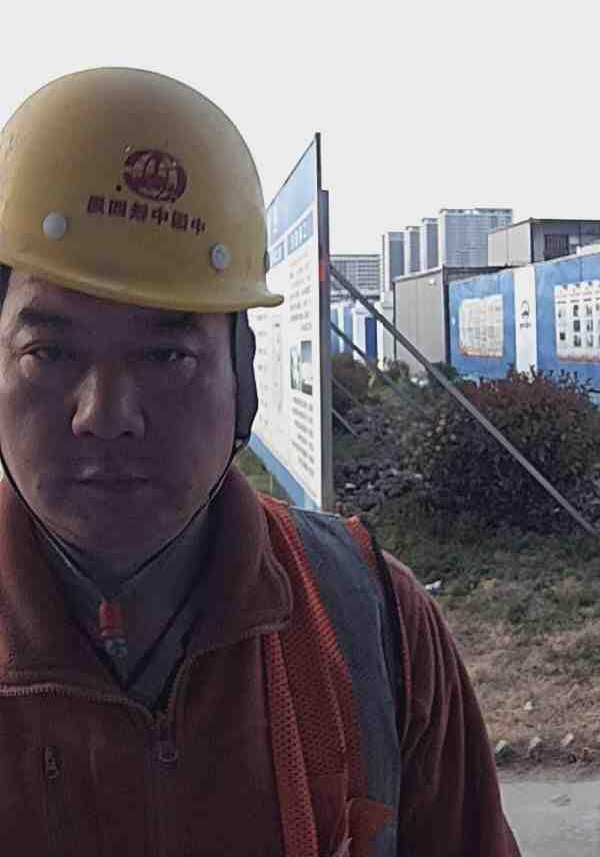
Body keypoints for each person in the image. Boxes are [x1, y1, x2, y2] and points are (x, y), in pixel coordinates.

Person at [0, 67, 520, 855]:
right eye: (49, 351)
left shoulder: (372, 626)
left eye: (166, 355)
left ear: (242, 376)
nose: (104, 416)